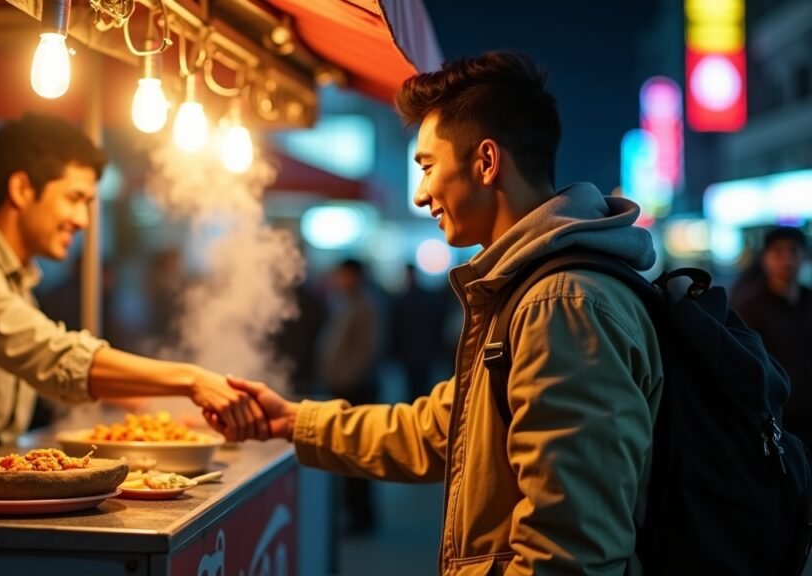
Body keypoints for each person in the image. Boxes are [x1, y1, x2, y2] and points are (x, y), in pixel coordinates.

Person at [207, 51, 664, 574]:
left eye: (426, 166)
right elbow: (440, 429)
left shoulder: (560, 305)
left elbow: (570, 555)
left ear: (486, 162)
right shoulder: (527, 288)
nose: (422, 193)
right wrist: (293, 420)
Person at [0, 113, 266, 480]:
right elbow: (55, 358)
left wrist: (164, 409)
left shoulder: (13, 279)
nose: (83, 220)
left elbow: (51, 363)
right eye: (74, 198)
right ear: (21, 188)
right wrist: (191, 379)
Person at [733, 226, 812, 448]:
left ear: (804, 257)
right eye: (778, 252)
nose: (787, 260)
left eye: (793, 252)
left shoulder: (809, 300)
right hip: (775, 425)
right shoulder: (747, 307)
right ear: (765, 258)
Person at [316, 258, 380, 534]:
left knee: (358, 453)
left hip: (356, 389)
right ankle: (354, 513)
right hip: (343, 386)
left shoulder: (366, 305)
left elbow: (368, 349)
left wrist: (346, 378)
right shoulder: (345, 302)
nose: (338, 280)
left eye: (342, 275)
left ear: (354, 276)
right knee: (346, 454)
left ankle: (361, 517)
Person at [389, 263, 447, 399]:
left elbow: (397, 327)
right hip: (423, 350)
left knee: (412, 386)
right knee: (423, 386)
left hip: (409, 350)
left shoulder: (402, 299)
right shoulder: (427, 298)